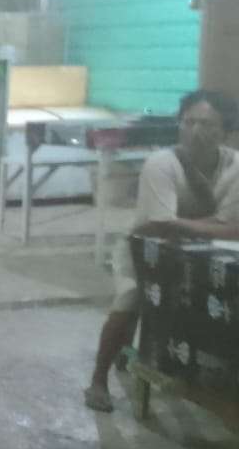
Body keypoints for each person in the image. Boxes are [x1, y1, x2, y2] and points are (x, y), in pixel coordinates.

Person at [85, 89, 239, 412]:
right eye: (189, 122)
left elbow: (231, 227)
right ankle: (98, 379)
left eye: (207, 124)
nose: (196, 131)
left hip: (203, 255)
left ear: (226, 131)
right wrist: (213, 225)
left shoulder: (235, 166)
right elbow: (158, 226)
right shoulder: (162, 164)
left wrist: (185, 225)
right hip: (145, 251)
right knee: (130, 299)